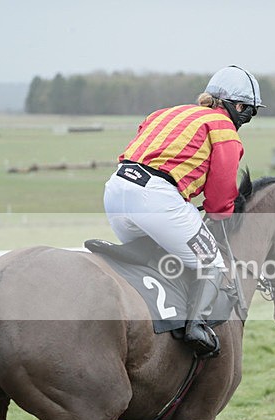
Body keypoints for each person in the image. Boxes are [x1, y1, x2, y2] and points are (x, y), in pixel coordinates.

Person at [103, 65, 264, 358]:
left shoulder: (164, 113)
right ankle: (195, 327)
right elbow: (218, 200)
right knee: (213, 264)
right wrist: (223, 212)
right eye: (249, 112)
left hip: (115, 189)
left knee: (157, 255)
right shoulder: (224, 129)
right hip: (157, 199)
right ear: (238, 106)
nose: (247, 118)